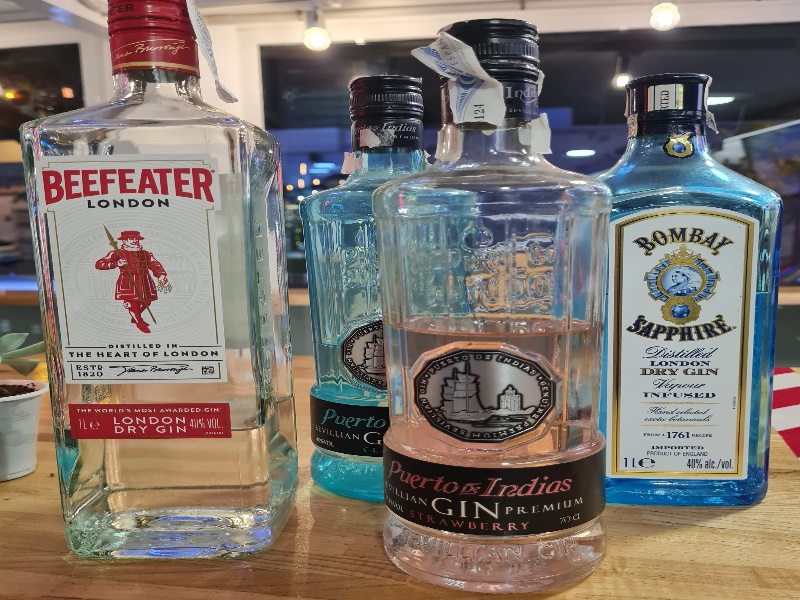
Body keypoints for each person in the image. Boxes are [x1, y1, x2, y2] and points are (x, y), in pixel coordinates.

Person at [95, 230, 168, 333]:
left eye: (136, 238)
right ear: (124, 240)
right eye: (131, 238)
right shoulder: (117, 253)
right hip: (128, 281)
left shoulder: (146, 253)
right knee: (131, 303)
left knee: (147, 301)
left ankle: (135, 317)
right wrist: (116, 263)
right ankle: (139, 323)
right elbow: (99, 264)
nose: (134, 240)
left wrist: (161, 275)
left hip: (145, 281)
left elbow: (154, 264)